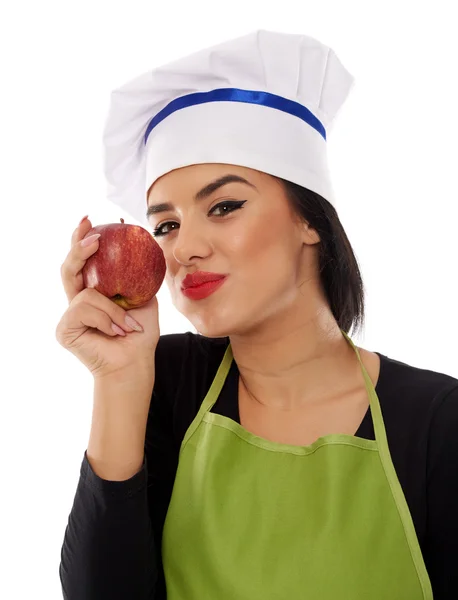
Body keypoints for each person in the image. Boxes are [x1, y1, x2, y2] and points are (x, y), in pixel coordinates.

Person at [57, 30, 458, 600]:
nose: (184, 247)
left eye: (224, 206)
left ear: (310, 220)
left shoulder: (437, 423)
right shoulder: (164, 384)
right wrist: (118, 381)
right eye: (165, 225)